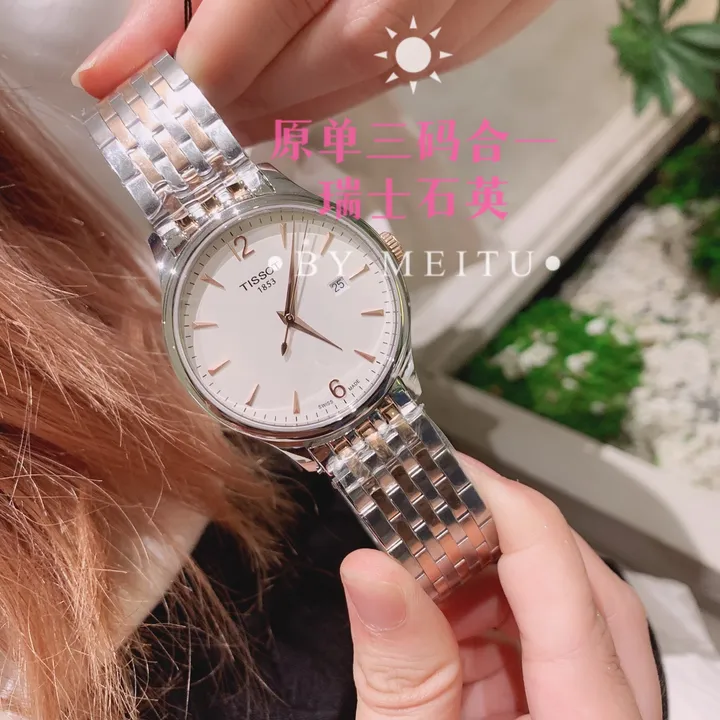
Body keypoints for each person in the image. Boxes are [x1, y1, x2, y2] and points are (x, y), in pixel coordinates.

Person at [0, 1, 665, 718]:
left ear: (377, 252)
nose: (284, 319)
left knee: (536, 600)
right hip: (168, 616)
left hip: (319, 457)